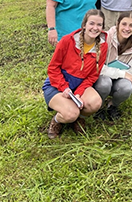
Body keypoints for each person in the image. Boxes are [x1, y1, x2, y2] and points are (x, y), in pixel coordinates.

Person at [42, 9, 107, 139]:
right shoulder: (67, 41)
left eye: (99, 25)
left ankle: (79, 118)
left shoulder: (103, 46)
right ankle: (57, 121)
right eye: (92, 23)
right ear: (84, 25)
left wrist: (79, 92)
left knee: (95, 103)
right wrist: (64, 87)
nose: (95, 28)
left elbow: (93, 75)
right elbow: (53, 68)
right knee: (70, 113)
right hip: (57, 85)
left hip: (79, 85)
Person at [93, 11, 132, 121]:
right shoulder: (104, 38)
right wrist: (122, 73)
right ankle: (98, 106)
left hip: (119, 80)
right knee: (105, 83)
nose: (127, 28)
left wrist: (123, 75)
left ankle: (112, 105)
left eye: (131, 25)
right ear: (117, 24)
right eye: (124, 24)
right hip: (101, 78)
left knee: (127, 87)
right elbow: (97, 67)